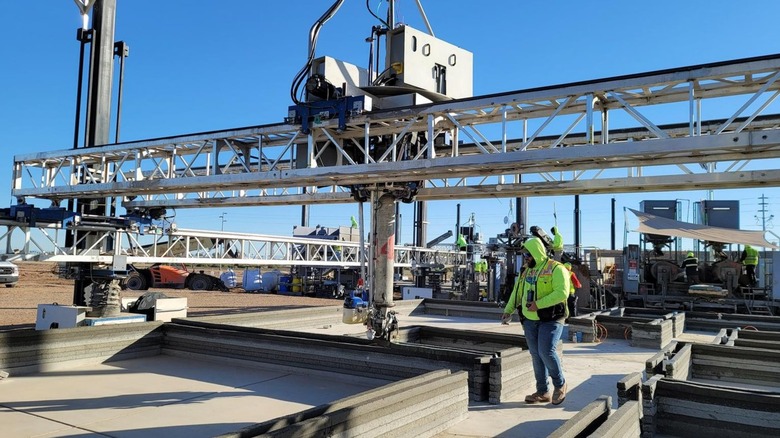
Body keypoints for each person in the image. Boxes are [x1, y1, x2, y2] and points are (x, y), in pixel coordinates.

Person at [502, 237, 570, 405]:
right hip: (530, 320)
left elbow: (562, 293)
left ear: (536, 253)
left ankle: (560, 385)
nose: (526, 259)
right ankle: (542, 392)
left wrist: (538, 304)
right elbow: (517, 292)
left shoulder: (556, 269)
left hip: (552, 318)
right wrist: (508, 310)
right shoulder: (526, 271)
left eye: (528, 256)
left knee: (546, 351)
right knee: (536, 355)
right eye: (525, 256)